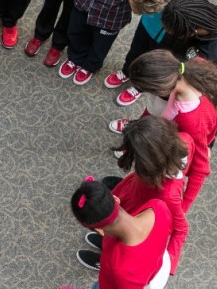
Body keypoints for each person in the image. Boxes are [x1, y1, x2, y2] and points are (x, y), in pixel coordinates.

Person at [110, 50, 217, 211]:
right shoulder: (191, 66)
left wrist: (183, 206)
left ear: (161, 89)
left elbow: (201, 168)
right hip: (168, 123)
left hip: (171, 152)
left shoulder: (190, 120)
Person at [79, 116, 191, 274]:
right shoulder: (183, 140)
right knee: (111, 233)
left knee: (119, 242)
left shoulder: (168, 194)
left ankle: (105, 261)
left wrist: (165, 267)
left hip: (136, 213)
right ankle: (106, 242)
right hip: (133, 193)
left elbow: (181, 229)